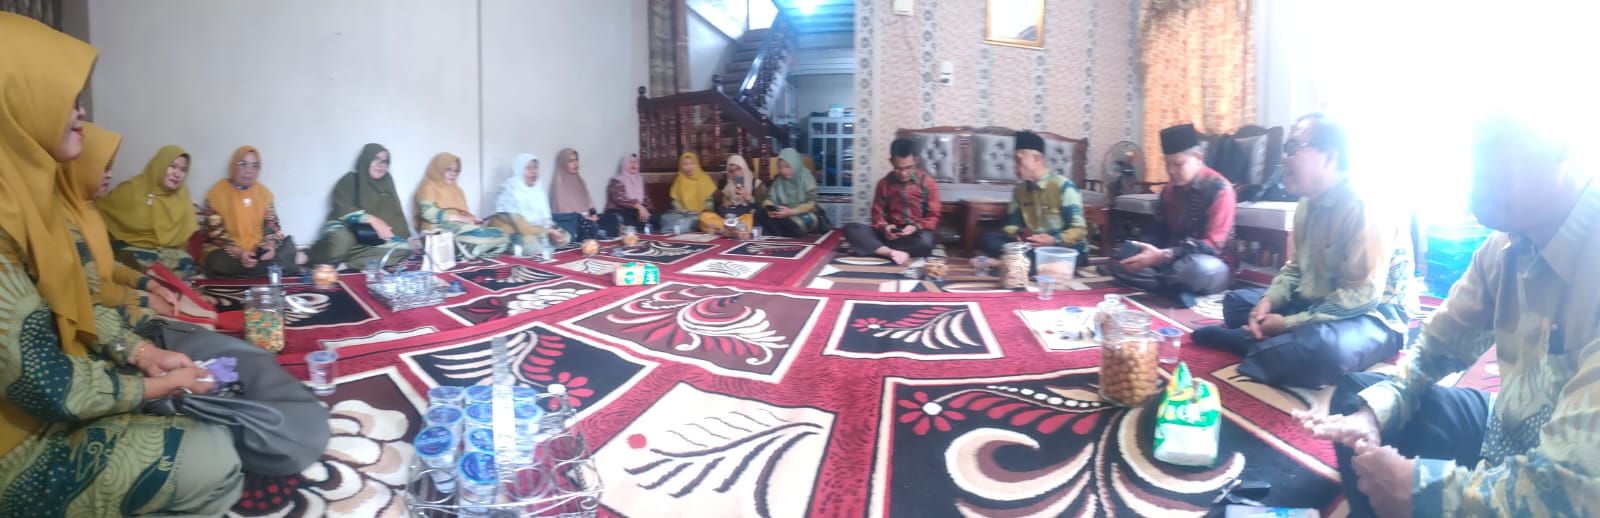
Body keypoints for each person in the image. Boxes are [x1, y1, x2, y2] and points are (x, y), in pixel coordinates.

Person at [0, 12, 242, 514]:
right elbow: (49, 384)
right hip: (19, 453)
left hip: (66, 393)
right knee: (218, 452)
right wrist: (155, 379)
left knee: (207, 396)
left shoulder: (34, 207)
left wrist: (140, 353)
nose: (82, 113)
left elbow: (81, 303)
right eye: (67, 98)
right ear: (17, 99)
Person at [1300, 111, 1600, 517]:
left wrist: (1427, 493)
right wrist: (1376, 413)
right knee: (1360, 400)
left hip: (1572, 482)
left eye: (1489, 147)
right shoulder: (1504, 246)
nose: (1471, 172)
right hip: (1504, 433)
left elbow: (1575, 490)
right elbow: (1437, 346)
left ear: (1561, 143)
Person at [1191, 114, 1415, 389]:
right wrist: (1269, 302)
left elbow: (1362, 297)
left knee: (1324, 351)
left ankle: (1253, 341)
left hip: (1375, 315)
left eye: (1292, 148)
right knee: (1236, 303)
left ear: (1329, 157)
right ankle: (1270, 343)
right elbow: (1295, 269)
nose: (1283, 158)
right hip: (1318, 302)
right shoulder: (1306, 205)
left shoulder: (1365, 205)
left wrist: (1287, 323)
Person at [55, 122, 180, 321]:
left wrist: (152, 285)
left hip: (107, 296)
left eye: (110, 168)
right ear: (81, 167)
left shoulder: (88, 209)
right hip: (87, 312)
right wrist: (147, 299)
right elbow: (96, 289)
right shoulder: (63, 220)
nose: (110, 175)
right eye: (103, 168)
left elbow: (107, 265)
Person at [1106, 123, 1235, 307]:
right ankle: (1174, 290)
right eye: (1167, 165)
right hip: (1169, 260)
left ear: (1198, 158)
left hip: (1207, 264)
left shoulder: (1220, 189)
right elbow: (1158, 231)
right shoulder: (1168, 191)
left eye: (1178, 164)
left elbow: (1212, 247)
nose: (1171, 171)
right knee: (1119, 261)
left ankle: (1164, 285)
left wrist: (1163, 256)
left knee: (1193, 270)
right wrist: (1141, 250)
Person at [978, 131, 1089, 262]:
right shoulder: (1020, 191)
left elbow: (1079, 229)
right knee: (989, 239)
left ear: (1036, 158)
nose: (1014, 167)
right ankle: (1022, 262)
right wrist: (1019, 234)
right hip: (1033, 245)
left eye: (1018, 161)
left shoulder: (1064, 187)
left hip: (1062, 247)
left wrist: (1054, 239)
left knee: (1061, 257)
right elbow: (1011, 224)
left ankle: (1007, 263)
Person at [199, 146, 301, 278]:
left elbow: (271, 226)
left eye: (255, 165)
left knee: (288, 246)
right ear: (233, 165)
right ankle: (267, 271)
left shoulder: (263, 193)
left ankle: (251, 272)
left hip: (259, 253)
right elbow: (215, 234)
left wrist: (269, 246)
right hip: (231, 254)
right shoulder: (217, 192)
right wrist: (239, 253)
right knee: (216, 261)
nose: (249, 170)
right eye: (243, 164)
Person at [96, 144, 198, 277]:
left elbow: (184, 237)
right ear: (160, 165)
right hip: (132, 247)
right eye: (172, 166)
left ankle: (160, 278)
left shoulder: (182, 194)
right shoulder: (132, 188)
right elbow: (100, 212)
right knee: (130, 260)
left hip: (165, 251)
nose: (177, 174)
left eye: (183, 169)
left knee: (188, 266)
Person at [307, 143, 413, 268]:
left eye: (385, 161)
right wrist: (371, 219)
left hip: (370, 237)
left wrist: (408, 237)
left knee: (402, 249)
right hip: (345, 230)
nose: (381, 165)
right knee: (343, 241)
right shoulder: (350, 179)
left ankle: (346, 265)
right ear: (366, 159)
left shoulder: (386, 182)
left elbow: (396, 213)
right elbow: (342, 207)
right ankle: (314, 255)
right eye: (376, 159)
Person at [843, 138, 941, 264]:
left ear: (916, 160)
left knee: (926, 242)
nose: (904, 173)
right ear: (891, 162)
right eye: (898, 168)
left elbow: (933, 216)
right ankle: (890, 253)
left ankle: (877, 249)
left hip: (915, 235)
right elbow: (877, 214)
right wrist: (885, 228)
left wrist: (915, 227)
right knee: (851, 229)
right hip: (889, 235)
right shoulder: (883, 183)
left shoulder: (928, 183)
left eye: (908, 168)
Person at [413, 152, 508, 260]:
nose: (453, 174)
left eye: (456, 170)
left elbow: (463, 213)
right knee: (480, 236)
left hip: (459, 226)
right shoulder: (428, 186)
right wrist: (461, 219)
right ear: (438, 168)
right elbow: (428, 213)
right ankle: (466, 248)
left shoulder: (457, 190)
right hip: (435, 228)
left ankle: (467, 248)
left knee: (501, 235)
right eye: (449, 169)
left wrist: (472, 219)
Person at [489, 152, 570, 249]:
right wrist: (548, 232)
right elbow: (522, 227)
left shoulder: (538, 191)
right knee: (533, 246)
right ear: (519, 170)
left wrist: (554, 230)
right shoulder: (510, 192)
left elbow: (546, 220)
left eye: (535, 167)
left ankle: (543, 240)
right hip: (512, 232)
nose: (533, 172)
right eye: (528, 168)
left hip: (533, 231)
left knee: (565, 237)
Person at [548, 148, 621, 240]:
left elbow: (589, 202)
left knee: (613, 218)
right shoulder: (559, 184)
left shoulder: (580, 181)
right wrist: (585, 218)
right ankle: (598, 236)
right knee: (590, 227)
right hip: (572, 222)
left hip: (587, 219)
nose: (575, 164)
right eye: (571, 161)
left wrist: (593, 214)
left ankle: (601, 236)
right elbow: (564, 213)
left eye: (576, 160)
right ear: (563, 163)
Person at [758, 148, 825, 237]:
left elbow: (811, 203)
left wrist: (791, 212)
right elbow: (769, 199)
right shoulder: (779, 181)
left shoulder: (806, 179)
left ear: (795, 164)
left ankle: (780, 230)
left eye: (787, 167)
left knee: (800, 222)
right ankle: (782, 230)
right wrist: (771, 210)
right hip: (782, 215)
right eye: (781, 167)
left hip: (802, 213)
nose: (784, 170)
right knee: (760, 213)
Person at [698, 154, 764, 235]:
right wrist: (724, 201)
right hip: (729, 217)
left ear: (743, 167)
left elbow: (762, 207)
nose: (735, 173)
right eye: (731, 171)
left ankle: (726, 230)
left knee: (750, 219)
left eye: (738, 168)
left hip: (744, 217)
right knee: (705, 217)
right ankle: (731, 231)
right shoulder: (728, 184)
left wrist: (748, 197)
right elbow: (719, 198)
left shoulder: (756, 183)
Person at [605, 153, 660, 232]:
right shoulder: (616, 180)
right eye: (630, 162)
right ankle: (637, 227)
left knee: (655, 216)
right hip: (620, 210)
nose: (633, 164)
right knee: (628, 218)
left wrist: (648, 211)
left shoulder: (639, 180)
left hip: (635, 211)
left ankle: (637, 227)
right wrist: (640, 207)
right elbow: (620, 199)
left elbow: (645, 199)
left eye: (636, 162)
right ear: (624, 164)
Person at [663, 152, 716, 233]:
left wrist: (700, 211)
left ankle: (688, 226)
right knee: (666, 217)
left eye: (692, 163)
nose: (689, 167)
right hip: (683, 215)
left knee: (707, 218)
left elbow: (710, 203)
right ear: (681, 166)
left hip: (700, 215)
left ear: (697, 164)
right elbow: (675, 202)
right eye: (685, 164)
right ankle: (688, 226)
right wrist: (685, 211)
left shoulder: (704, 179)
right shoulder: (679, 180)